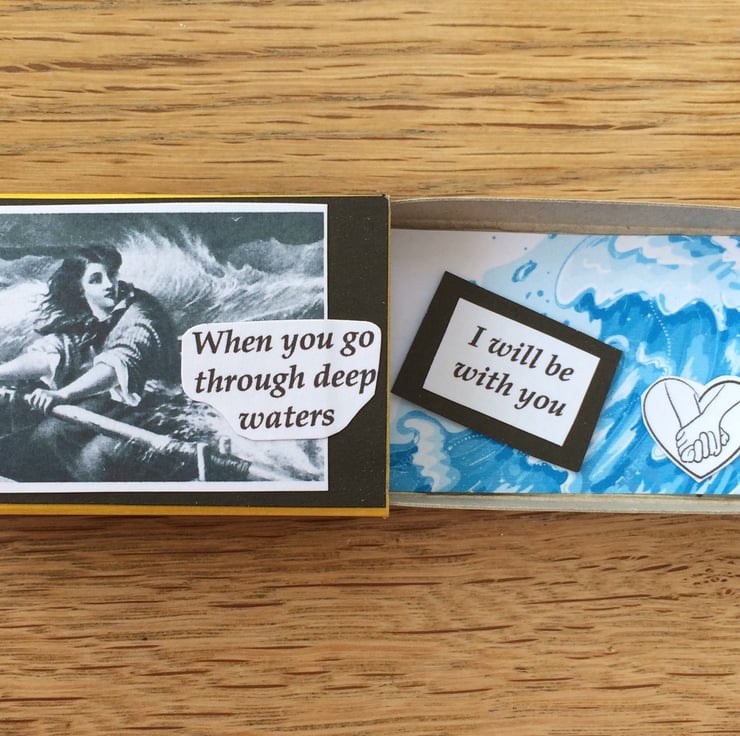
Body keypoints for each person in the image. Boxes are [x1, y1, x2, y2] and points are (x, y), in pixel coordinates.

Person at [0, 244, 180, 481]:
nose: (109, 284)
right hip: (114, 402)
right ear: (80, 288)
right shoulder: (90, 314)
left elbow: (117, 364)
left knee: (95, 457)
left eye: (111, 275)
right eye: (96, 280)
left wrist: (62, 395)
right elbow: (55, 352)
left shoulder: (142, 313)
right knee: (47, 435)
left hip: (160, 407)